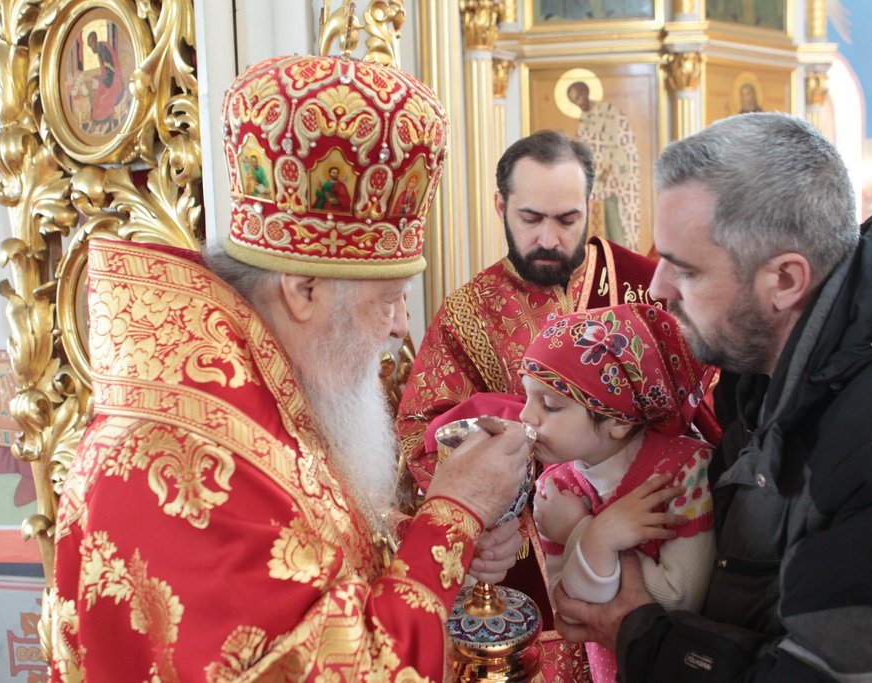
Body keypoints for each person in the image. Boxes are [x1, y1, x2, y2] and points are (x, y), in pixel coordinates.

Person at [49, 54, 533, 681]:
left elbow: (313, 550)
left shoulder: (260, 381)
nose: (400, 325)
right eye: (388, 298)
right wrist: (454, 512)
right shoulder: (182, 453)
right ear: (303, 290)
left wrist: (438, 543)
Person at [553, 111, 872, 681]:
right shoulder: (766, 362)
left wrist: (643, 634)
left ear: (785, 280)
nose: (658, 287)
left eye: (685, 270)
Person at [396, 129, 663, 680]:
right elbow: (420, 430)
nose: (548, 238)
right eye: (531, 218)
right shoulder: (468, 314)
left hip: (646, 539)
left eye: (567, 220)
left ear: (589, 206)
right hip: (532, 552)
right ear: (501, 206)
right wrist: (507, 447)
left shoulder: (639, 287)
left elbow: (692, 407)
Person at [520, 302, 717, 683]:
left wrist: (583, 533)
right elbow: (572, 608)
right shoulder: (555, 488)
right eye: (526, 396)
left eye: (550, 405)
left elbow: (678, 599)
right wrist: (596, 537)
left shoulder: (684, 472)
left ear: (617, 422)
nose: (526, 416)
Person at [567, 80, 642, 248]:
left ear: (585, 92)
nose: (578, 102)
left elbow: (618, 142)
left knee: (612, 213)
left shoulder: (608, 112)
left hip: (613, 176)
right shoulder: (585, 118)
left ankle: (619, 252)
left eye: (578, 97)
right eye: (573, 100)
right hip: (594, 177)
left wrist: (608, 170)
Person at [85, 31, 125, 134]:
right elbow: (105, 71)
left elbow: (111, 72)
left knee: (103, 99)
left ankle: (106, 124)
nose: (91, 48)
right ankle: (96, 124)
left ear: (95, 40)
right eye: (89, 46)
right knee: (96, 97)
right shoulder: (100, 50)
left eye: (91, 44)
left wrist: (101, 80)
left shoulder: (104, 49)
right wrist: (99, 77)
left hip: (115, 82)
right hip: (108, 81)